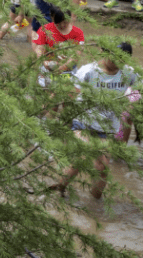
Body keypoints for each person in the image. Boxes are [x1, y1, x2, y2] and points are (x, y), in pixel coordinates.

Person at [52, 42, 137, 200]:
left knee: (102, 167)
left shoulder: (129, 73)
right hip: (83, 121)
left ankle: (95, 204)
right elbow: (70, 92)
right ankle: (59, 190)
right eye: (114, 58)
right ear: (104, 53)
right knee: (81, 158)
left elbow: (139, 87)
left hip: (106, 128)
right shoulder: (89, 71)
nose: (118, 62)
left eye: (122, 59)